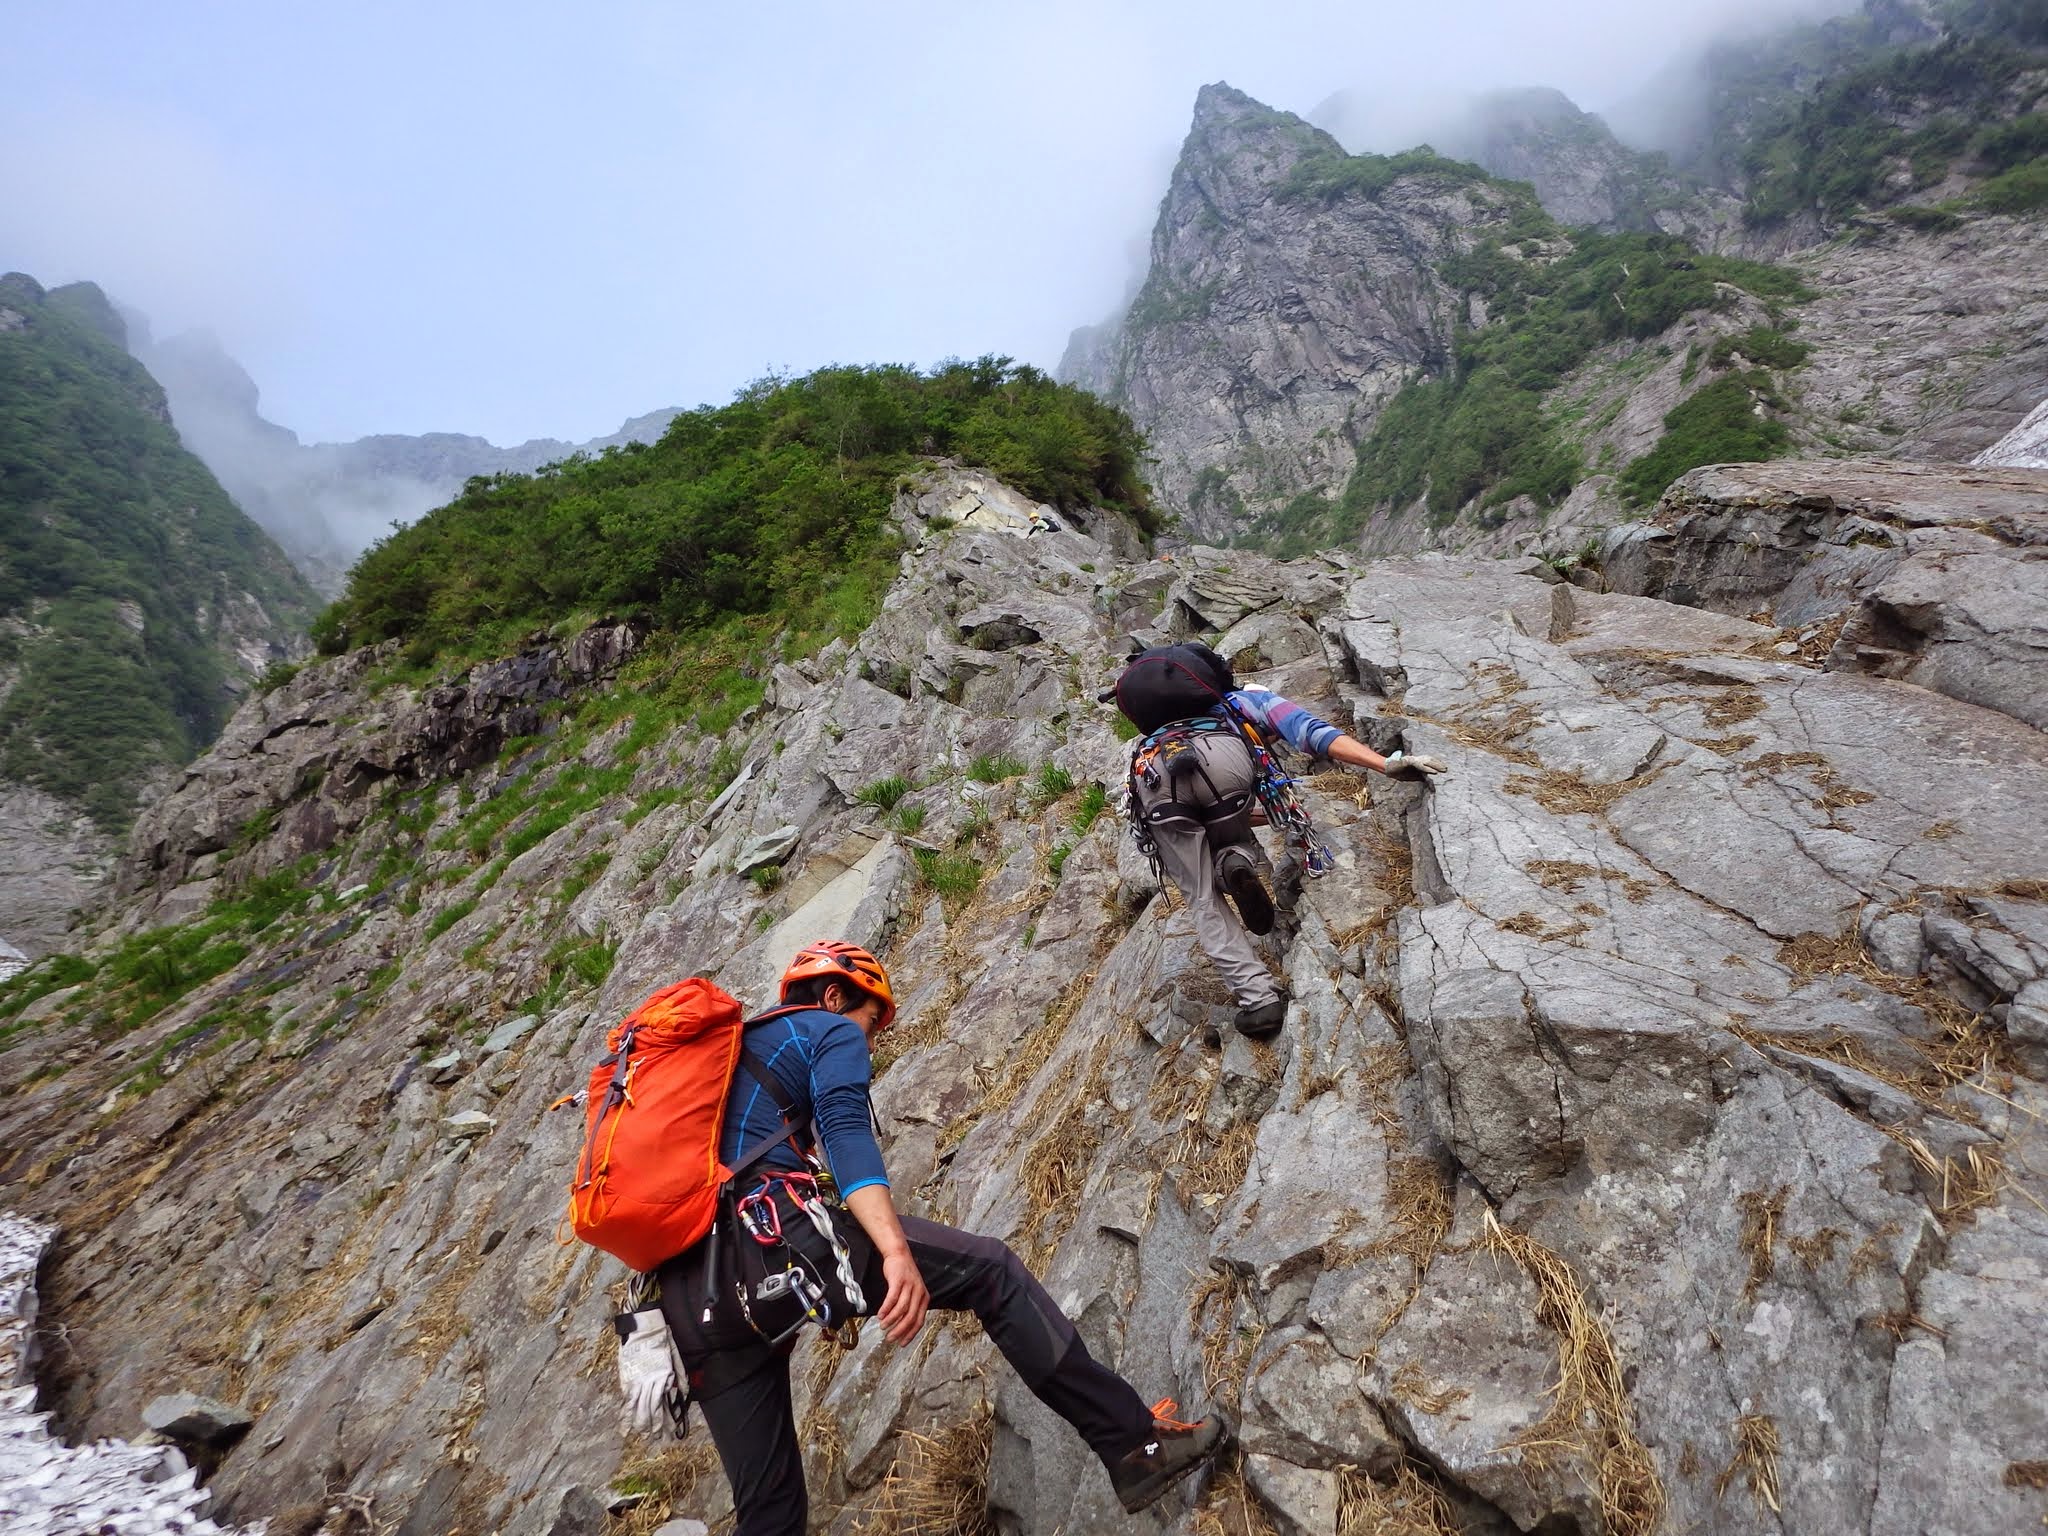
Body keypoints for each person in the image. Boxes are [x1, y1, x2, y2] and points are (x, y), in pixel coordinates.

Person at [653, 940, 1224, 1535]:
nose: (869, 1043)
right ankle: (1135, 1447)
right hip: (773, 1244)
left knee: (770, 1514)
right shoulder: (824, 1030)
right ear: (832, 995)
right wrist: (894, 1252)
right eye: (871, 1023)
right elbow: (846, 1133)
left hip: (693, 1311)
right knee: (992, 1271)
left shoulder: (725, 1073)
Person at [1116, 643, 1447, 1040]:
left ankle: (1258, 1001)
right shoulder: (1247, 700)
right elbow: (1313, 734)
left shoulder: (1153, 730)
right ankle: (1236, 859)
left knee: (1202, 897)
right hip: (1226, 764)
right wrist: (1384, 763)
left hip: (1156, 771)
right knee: (1231, 824)